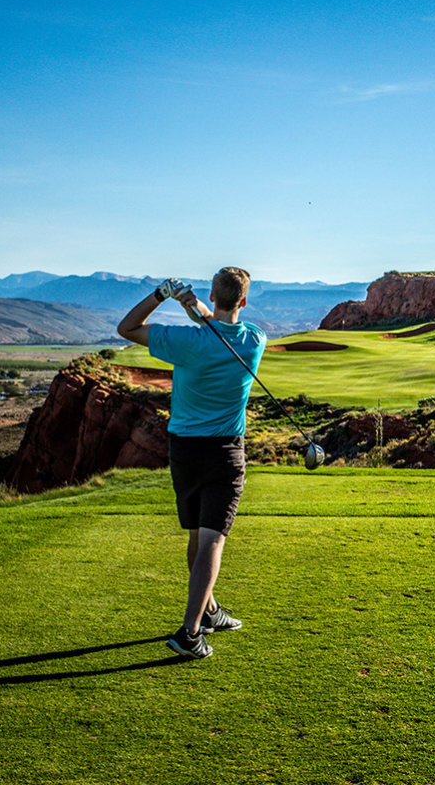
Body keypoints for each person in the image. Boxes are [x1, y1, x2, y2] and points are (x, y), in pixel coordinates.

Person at [117, 267, 268, 659]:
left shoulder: (183, 342)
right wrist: (193, 306)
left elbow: (127, 328)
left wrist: (161, 295)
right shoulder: (254, 340)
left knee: (198, 538)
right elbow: (217, 323)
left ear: (213, 297)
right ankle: (189, 633)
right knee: (212, 540)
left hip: (183, 450)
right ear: (245, 301)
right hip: (224, 452)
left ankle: (211, 611)